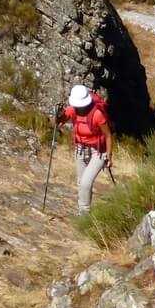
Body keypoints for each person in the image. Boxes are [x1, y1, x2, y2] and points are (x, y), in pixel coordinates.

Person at [55, 84, 113, 213]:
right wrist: (57, 116)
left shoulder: (97, 114)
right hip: (80, 149)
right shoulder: (72, 109)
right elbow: (58, 124)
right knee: (81, 182)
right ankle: (81, 210)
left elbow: (108, 135)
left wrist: (109, 155)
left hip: (97, 151)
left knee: (86, 182)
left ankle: (84, 213)